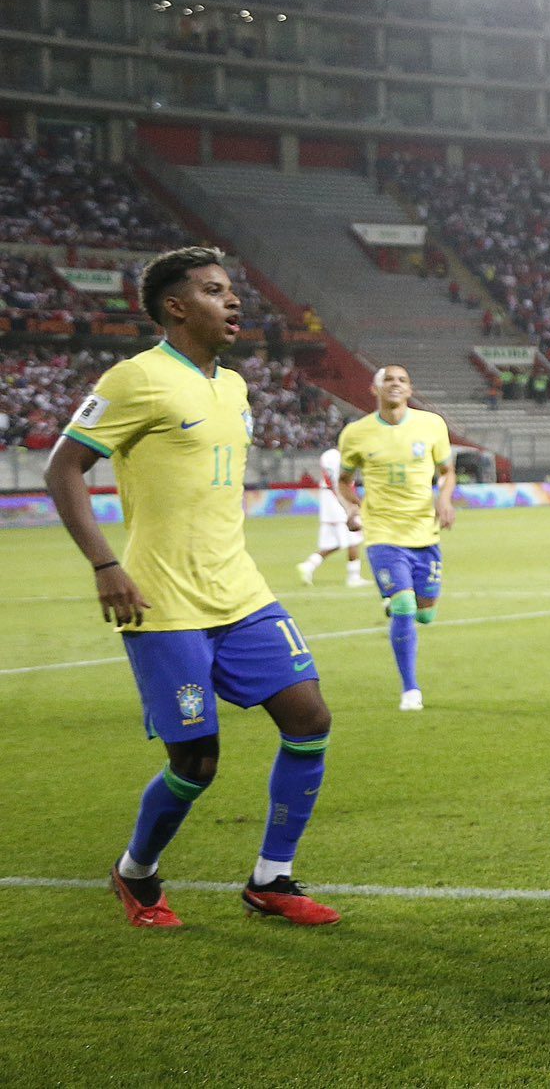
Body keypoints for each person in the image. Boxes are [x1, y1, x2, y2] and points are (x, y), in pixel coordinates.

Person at [44, 246, 339, 928]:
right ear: (176, 307)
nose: (233, 301)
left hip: (241, 593)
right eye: (213, 290)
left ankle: (272, 879)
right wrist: (104, 564)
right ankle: (136, 872)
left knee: (309, 719)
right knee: (196, 762)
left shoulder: (233, 386)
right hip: (163, 602)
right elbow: (64, 468)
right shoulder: (134, 378)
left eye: (232, 290)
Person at [336, 365, 455, 711]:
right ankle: (410, 690)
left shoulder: (431, 425)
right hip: (383, 533)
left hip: (424, 533)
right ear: (374, 389)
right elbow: (344, 480)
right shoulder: (356, 433)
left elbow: (447, 472)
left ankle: (395, 600)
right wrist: (352, 509)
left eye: (402, 379)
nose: (395, 384)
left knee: (425, 614)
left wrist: (444, 500)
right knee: (404, 606)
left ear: (410, 388)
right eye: (388, 379)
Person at [296, 446, 369, 588]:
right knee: (354, 537)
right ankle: (354, 577)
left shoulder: (327, 455)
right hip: (337, 499)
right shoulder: (340, 458)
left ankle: (308, 565)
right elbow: (339, 482)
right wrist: (351, 504)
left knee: (333, 543)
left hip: (327, 498)